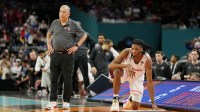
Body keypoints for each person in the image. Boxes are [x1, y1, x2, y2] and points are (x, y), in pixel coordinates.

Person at [45, 5, 87, 110]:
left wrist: (76, 46)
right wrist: (49, 45)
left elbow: (84, 35)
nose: (61, 14)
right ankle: (52, 101)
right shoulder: (55, 22)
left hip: (67, 56)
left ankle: (66, 101)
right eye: (60, 11)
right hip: (54, 54)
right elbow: (49, 34)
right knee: (53, 78)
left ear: (68, 14)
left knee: (68, 79)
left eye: (64, 12)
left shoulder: (73, 24)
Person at [109, 39, 158, 111]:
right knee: (117, 70)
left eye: (136, 49)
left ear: (141, 49)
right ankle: (115, 100)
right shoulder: (126, 52)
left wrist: (153, 103)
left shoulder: (147, 59)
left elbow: (149, 81)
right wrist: (126, 66)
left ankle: (130, 99)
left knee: (135, 107)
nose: (134, 51)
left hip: (137, 77)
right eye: (132, 48)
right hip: (126, 72)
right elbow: (111, 65)